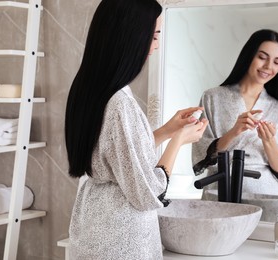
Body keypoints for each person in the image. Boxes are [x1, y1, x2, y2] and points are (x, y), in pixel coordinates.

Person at [64, 0, 208, 259]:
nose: (156, 45)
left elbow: (117, 155)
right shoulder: (120, 101)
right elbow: (147, 193)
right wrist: (178, 141)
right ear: (129, 38)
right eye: (153, 36)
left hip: (92, 227)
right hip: (121, 239)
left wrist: (165, 130)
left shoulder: (88, 87)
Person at [192, 29, 278, 196]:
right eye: (262, 57)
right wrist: (234, 132)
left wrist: (269, 141)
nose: (269, 67)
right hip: (219, 190)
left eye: (277, 62)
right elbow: (202, 156)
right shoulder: (213, 97)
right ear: (249, 55)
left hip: (264, 193)